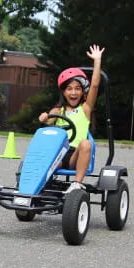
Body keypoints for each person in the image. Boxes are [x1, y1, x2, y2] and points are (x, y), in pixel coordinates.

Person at [38, 44, 105, 194]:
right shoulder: (58, 110)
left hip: (76, 155)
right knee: (45, 149)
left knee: (86, 143)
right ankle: (36, 184)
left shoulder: (85, 109)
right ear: (63, 92)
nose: (73, 92)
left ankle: (76, 183)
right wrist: (44, 118)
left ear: (82, 92)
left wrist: (97, 61)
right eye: (69, 88)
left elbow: (94, 85)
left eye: (77, 88)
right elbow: (47, 121)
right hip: (59, 155)